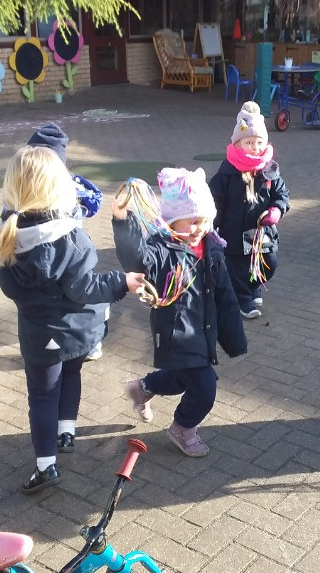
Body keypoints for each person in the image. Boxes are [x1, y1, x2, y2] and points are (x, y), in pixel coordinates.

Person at [0, 145, 144, 494]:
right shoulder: (71, 237)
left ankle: (46, 465)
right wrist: (122, 281)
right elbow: (86, 287)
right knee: (72, 373)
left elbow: (10, 288)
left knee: (42, 396)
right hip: (75, 330)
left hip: (38, 333)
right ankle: (66, 432)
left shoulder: (2, 236)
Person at [112, 167, 248, 458]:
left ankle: (143, 387)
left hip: (203, 330)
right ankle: (182, 428)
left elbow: (225, 298)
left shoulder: (212, 249)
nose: (198, 228)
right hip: (176, 332)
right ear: (173, 220)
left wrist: (234, 339)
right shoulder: (163, 249)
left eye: (204, 220)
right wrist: (123, 221)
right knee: (204, 385)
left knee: (180, 377)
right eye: (192, 221)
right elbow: (136, 257)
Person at [25, 122, 108, 360]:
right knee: (55, 304)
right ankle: (59, 342)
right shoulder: (23, 194)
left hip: (70, 257)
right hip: (42, 260)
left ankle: (89, 343)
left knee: (82, 300)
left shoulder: (68, 188)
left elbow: (93, 203)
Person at [209, 101, 290, 319]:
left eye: (259, 142)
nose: (255, 147)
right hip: (233, 232)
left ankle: (254, 287)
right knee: (237, 270)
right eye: (249, 142)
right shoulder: (226, 174)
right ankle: (243, 300)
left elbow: (282, 194)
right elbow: (214, 202)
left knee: (269, 263)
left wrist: (277, 209)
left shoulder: (269, 170)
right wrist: (211, 226)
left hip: (262, 233)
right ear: (238, 144)